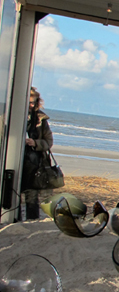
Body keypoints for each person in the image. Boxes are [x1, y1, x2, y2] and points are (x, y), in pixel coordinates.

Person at [21, 87, 53, 220]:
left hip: (34, 166)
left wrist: (35, 143)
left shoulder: (40, 120)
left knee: (32, 197)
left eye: (34, 102)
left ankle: (31, 222)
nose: (32, 105)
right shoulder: (9, 115)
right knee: (10, 194)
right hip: (13, 162)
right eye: (29, 102)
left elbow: (49, 142)